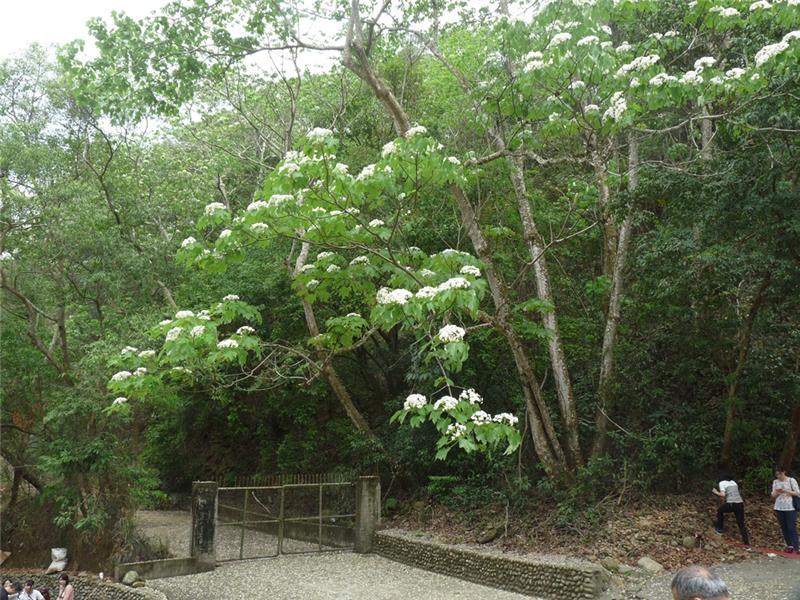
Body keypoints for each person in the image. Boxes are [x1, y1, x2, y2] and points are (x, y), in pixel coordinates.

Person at [712, 477, 750, 545]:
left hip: (731, 504)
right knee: (741, 523)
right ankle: (746, 541)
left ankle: (720, 528)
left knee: (720, 511)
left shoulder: (722, 483)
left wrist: (716, 492)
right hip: (740, 504)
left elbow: (723, 495)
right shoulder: (733, 482)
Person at [771, 467, 799, 553]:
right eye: (777, 475)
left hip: (790, 507)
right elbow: (772, 496)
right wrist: (776, 492)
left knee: (791, 527)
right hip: (779, 507)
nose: (778, 476)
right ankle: (789, 545)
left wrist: (786, 490)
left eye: (780, 474)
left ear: (784, 472)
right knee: (784, 527)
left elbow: (797, 493)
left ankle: (797, 546)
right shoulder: (775, 482)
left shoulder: (791, 480)